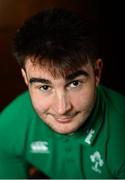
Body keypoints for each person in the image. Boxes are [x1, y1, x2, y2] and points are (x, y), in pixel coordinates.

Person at [0, 8, 125, 179]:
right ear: (25, 78)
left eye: (74, 83)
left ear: (97, 73)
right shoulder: (10, 126)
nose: (62, 109)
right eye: (45, 87)